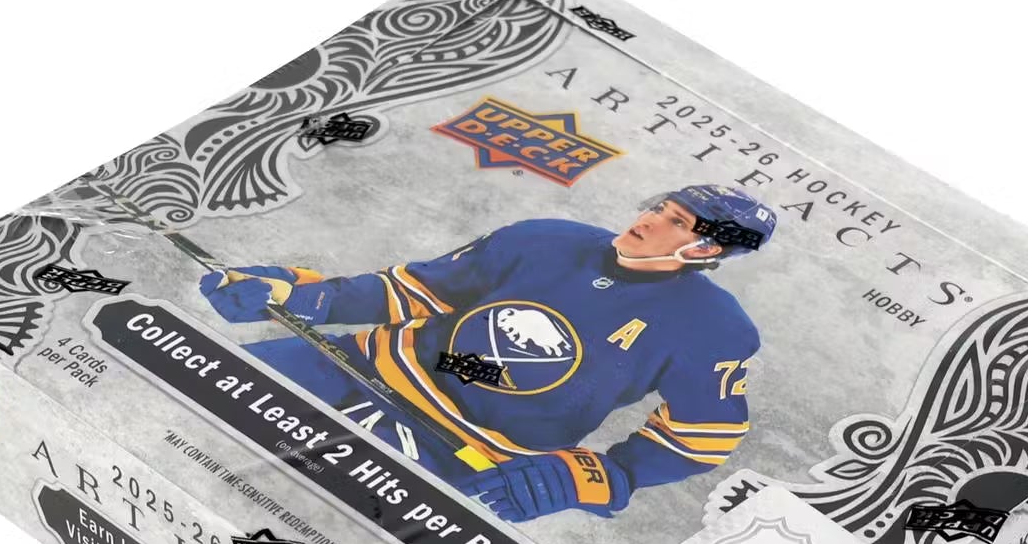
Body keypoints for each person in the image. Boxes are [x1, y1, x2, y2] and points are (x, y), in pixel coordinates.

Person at [198, 185, 774, 523]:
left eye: (675, 222)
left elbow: (703, 435)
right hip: (352, 367)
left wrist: (601, 476)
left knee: (297, 524)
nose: (647, 220)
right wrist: (299, 296)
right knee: (182, 403)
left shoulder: (714, 328)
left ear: (707, 249)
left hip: (461, 453)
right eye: (659, 206)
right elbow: (414, 290)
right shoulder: (544, 238)